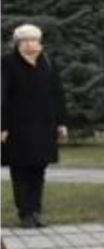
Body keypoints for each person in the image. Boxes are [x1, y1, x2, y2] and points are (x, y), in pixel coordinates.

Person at [2, 24, 67, 227]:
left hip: (44, 126)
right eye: (27, 40)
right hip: (18, 127)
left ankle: (37, 210)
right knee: (21, 171)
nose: (31, 44)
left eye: (35, 40)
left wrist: (61, 122)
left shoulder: (47, 62)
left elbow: (58, 94)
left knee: (39, 170)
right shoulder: (7, 63)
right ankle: (25, 213)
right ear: (18, 43)